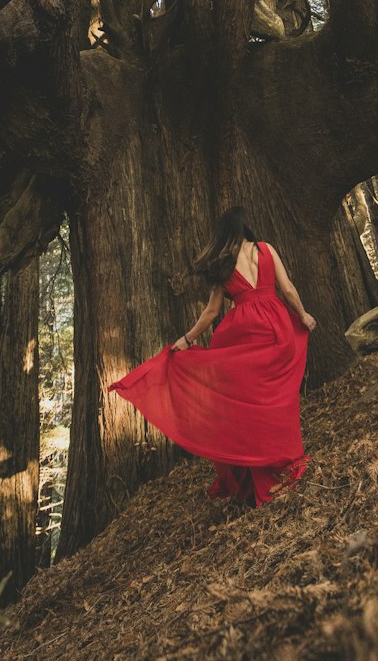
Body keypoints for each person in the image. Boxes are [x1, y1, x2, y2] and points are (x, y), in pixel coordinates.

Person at [108, 206, 317, 506]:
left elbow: (211, 312)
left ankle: (259, 467)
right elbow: (288, 289)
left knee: (248, 405)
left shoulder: (223, 265)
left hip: (243, 335)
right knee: (278, 398)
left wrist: (187, 339)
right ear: (246, 228)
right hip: (277, 327)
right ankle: (283, 461)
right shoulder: (267, 249)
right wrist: (303, 314)